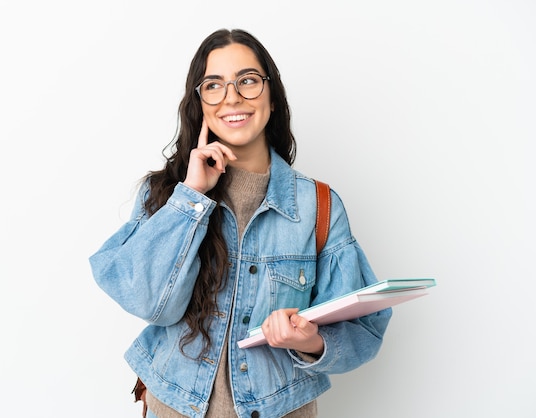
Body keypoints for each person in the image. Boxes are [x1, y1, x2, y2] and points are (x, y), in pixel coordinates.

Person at [89, 28, 392, 418]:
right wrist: (193, 196)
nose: (232, 97)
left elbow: (364, 330)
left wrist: (312, 340)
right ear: (200, 102)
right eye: (214, 85)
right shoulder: (166, 193)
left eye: (247, 81)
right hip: (175, 407)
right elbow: (150, 303)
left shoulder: (318, 206)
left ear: (271, 94)